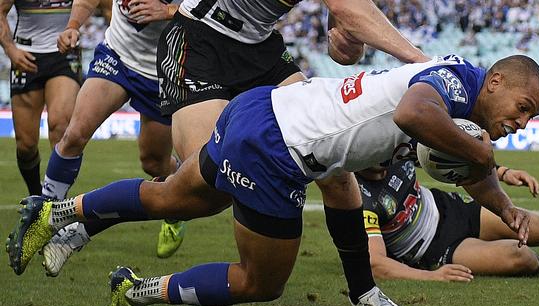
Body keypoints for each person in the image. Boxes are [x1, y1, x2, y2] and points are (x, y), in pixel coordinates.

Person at [6, 54, 539, 306]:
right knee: (260, 283)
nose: (521, 121)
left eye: (532, 118)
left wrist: (505, 206)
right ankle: (137, 291)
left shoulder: (460, 94)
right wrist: (482, 153)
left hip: (264, 110)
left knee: (178, 196)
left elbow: (466, 164)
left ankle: (56, 212)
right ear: (496, 83)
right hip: (276, 150)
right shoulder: (454, 83)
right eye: (523, 108)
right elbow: (415, 113)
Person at [45, 0, 430, 289]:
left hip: (260, 50)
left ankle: (364, 292)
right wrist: (421, 62)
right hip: (199, 44)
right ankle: (78, 222)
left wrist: (343, 37)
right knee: (206, 187)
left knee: (335, 172)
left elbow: (344, 32)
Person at [40, 0, 186, 265]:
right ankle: (42, 218)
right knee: (74, 135)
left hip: (162, 71)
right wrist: (72, 25)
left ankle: (176, 207)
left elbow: (216, 10)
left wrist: (168, 11)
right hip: (116, 55)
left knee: (154, 162)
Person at [355, 160, 539, 282]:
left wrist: (504, 173)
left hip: (453, 210)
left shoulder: (397, 147)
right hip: (434, 250)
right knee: (518, 255)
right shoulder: (358, 197)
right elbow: (375, 263)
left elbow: (451, 156)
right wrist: (433, 276)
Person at [0, 0, 82, 196]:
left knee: (60, 125)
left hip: (64, 54)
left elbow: (105, 8)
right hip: (25, 55)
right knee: (26, 145)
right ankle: (36, 195)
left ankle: (55, 203)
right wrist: (11, 50)